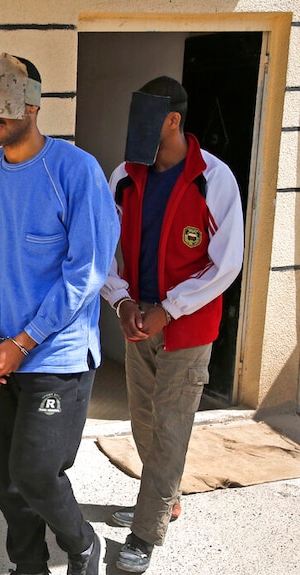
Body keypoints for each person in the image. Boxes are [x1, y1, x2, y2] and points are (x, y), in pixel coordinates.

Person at [0, 53, 118, 575]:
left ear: (31, 103)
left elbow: (87, 272)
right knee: (7, 483)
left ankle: (83, 545)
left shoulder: (74, 170)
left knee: (36, 472)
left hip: (58, 355)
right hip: (1, 350)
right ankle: (28, 568)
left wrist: (23, 341)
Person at [101, 76, 244, 573]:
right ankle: (164, 498)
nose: (134, 129)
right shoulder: (123, 175)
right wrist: (120, 302)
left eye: (146, 119)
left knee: (170, 427)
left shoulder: (214, 179)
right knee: (142, 421)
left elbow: (226, 262)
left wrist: (170, 308)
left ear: (173, 120)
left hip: (186, 327)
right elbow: (103, 250)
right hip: (138, 321)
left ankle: (146, 530)